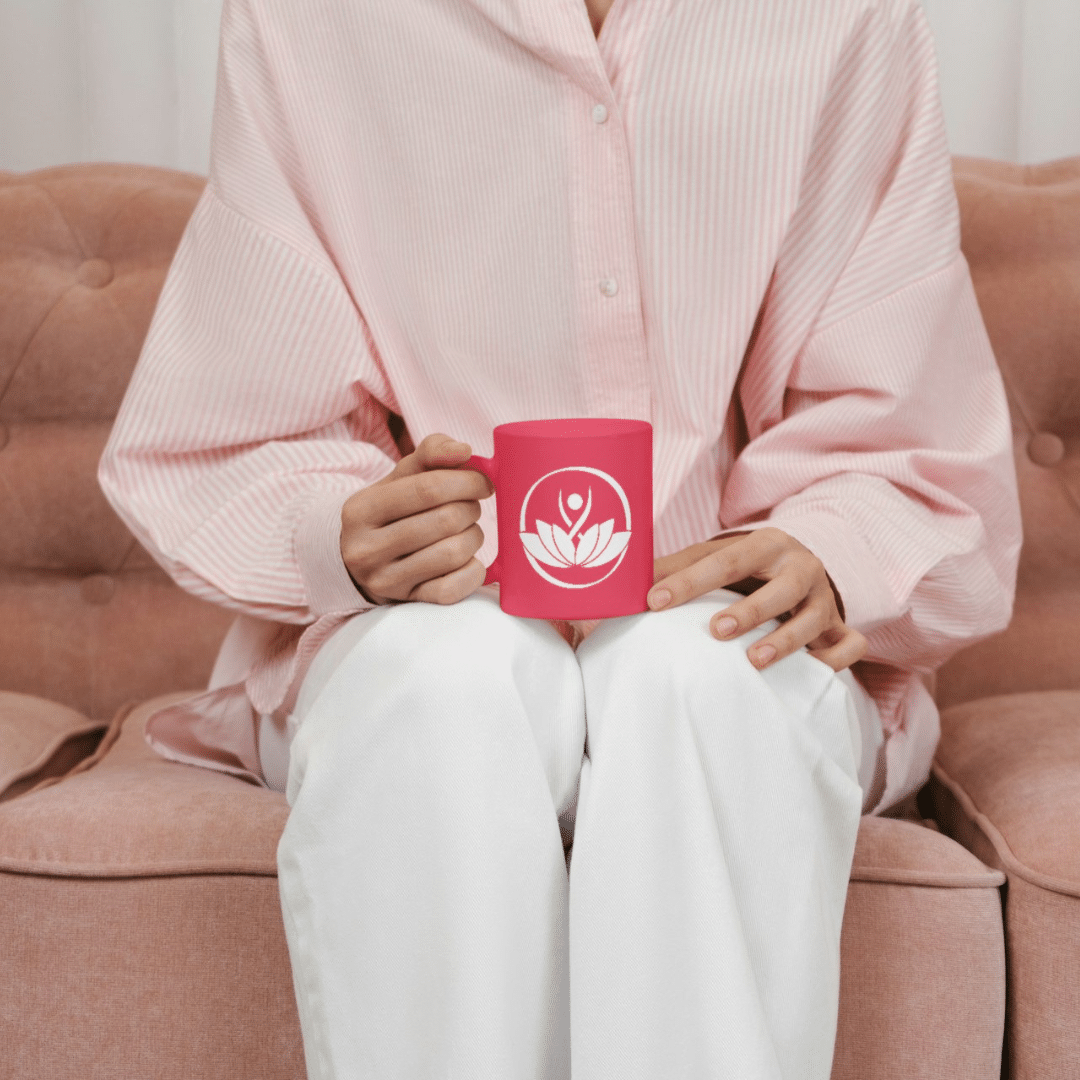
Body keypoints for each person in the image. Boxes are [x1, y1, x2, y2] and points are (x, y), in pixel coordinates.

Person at [98, 0, 1022, 1076]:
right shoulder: (310, 21)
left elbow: (908, 428)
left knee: (703, 674)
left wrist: (826, 549)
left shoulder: (843, 20)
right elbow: (231, 419)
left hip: (726, 636)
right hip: (423, 625)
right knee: (436, 677)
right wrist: (343, 534)